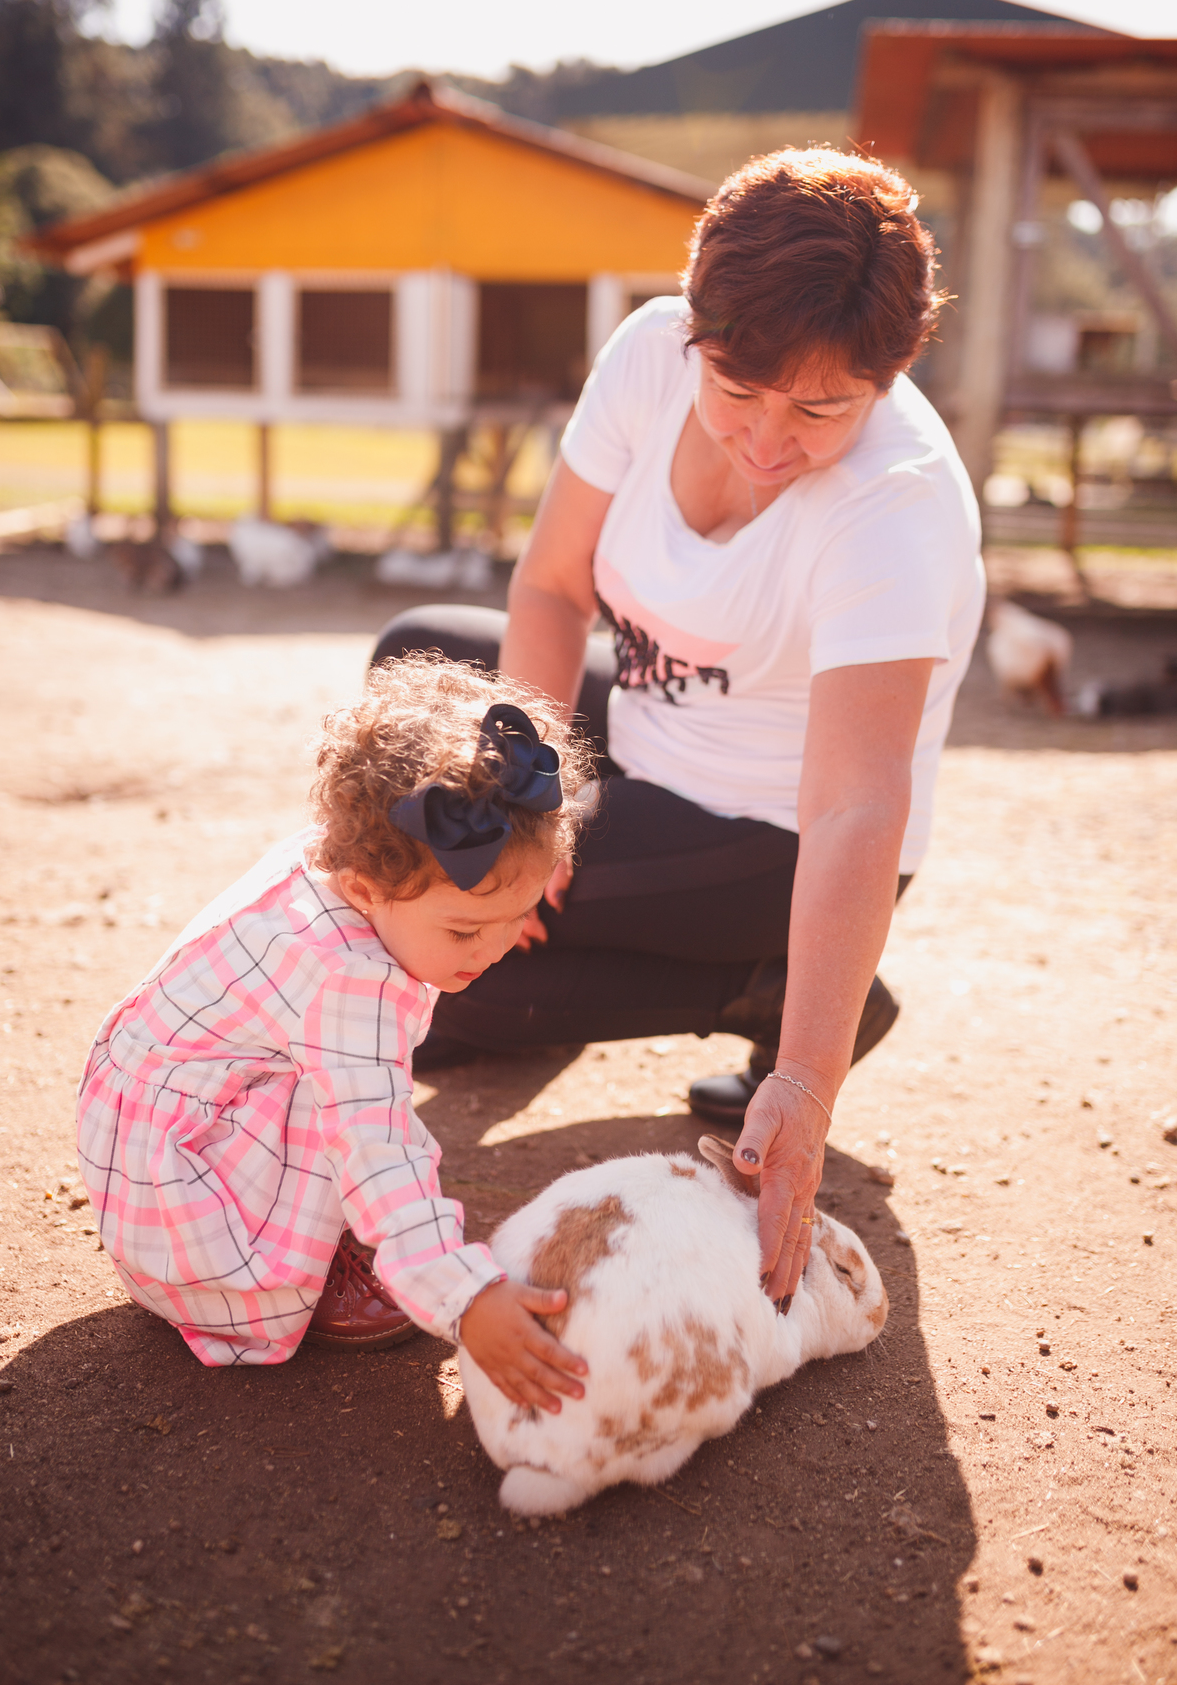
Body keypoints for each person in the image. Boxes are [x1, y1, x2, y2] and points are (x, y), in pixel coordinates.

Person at [373, 147, 986, 1315]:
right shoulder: (652, 352)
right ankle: (583, 928)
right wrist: (528, 801)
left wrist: (804, 1083)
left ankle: (773, 988)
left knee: (435, 973)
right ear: (696, 327)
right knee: (419, 671)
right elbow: (553, 588)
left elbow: (855, 803)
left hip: (773, 836)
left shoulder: (894, 504)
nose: (767, 441)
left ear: (890, 376)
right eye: (739, 392)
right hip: (648, 730)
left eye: (820, 409)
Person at [75, 657, 593, 1415]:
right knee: (359, 1106)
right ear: (364, 889)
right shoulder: (350, 980)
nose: (493, 949)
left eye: (519, 915)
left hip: (151, 1124)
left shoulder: (342, 859)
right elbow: (377, 1148)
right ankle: (291, 1271)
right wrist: (465, 1296)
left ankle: (313, 1225)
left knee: (347, 1079)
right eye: (464, 929)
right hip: (185, 1201)